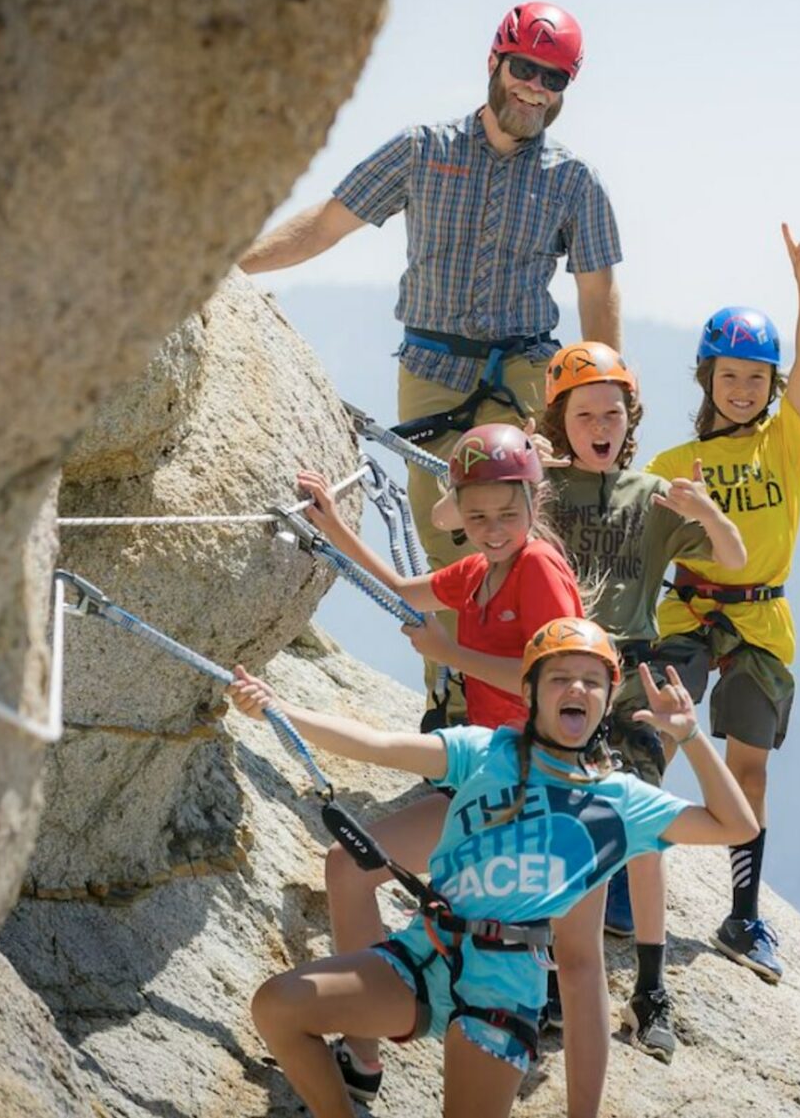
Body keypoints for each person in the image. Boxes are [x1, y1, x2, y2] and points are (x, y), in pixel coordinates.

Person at [239, 1, 622, 720]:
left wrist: (599, 400)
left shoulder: (574, 181)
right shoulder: (421, 150)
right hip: (433, 368)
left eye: (553, 77)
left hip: (525, 372)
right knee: (450, 543)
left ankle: (549, 714)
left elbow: (598, 294)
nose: (535, 88)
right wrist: (229, 267)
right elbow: (328, 222)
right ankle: (453, 708)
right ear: (494, 62)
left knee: (522, 539)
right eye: (524, 70)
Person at [229, 618, 759, 1118]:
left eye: (592, 682)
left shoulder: (619, 800)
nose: (576, 689)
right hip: (424, 954)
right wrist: (281, 711)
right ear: (530, 693)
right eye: (560, 678)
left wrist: (690, 738)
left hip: (503, 992)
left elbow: (736, 826)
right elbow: (379, 747)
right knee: (279, 1007)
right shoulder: (485, 752)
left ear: (608, 700)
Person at [435, 340, 747, 1061]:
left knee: (638, 817)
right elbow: (457, 518)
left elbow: (730, 558)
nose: (601, 426)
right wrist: (519, 456)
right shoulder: (538, 485)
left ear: (629, 418)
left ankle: (648, 989)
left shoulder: (650, 495)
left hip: (629, 676)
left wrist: (703, 508)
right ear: (561, 419)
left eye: (612, 412)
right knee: (547, 813)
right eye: (584, 414)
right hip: (560, 675)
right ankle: (544, 987)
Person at [294, 422, 602, 1106]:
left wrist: (452, 654)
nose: (493, 527)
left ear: (534, 501)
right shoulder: (483, 569)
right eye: (478, 515)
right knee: (349, 867)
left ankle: (370, 1045)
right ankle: (363, 1051)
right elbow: (407, 585)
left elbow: (558, 675)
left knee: (353, 868)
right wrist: (337, 526)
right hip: (482, 767)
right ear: (459, 513)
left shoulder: (538, 569)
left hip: (527, 782)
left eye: (507, 513)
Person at [644, 223, 800, 984]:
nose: (744, 389)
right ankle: (625, 886)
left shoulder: (784, 440)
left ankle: (743, 916)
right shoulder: (672, 464)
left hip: (759, 618)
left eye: (757, 378)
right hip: (688, 611)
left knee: (748, 771)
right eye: (731, 376)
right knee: (646, 740)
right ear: (707, 379)